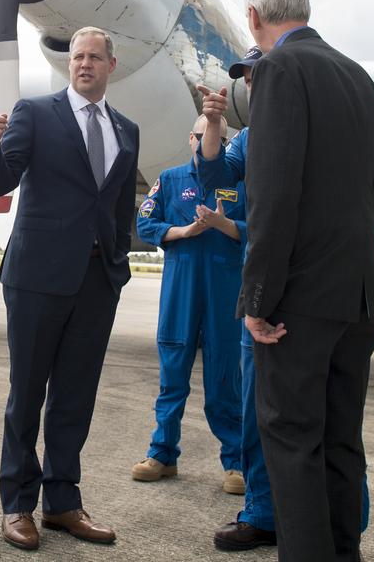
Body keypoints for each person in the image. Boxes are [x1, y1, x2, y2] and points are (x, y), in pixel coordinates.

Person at [199, 0, 374, 562]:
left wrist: (257, 299)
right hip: (357, 295)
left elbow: (273, 192)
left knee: (290, 440)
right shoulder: (359, 76)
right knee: (340, 440)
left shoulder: (278, 69)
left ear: (253, 16)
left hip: (298, 303)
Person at [0, 26, 140, 551]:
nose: (84, 64)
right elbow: (2, 181)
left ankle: (63, 503)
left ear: (111, 65)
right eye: (77, 57)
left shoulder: (126, 130)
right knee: (26, 395)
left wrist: (117, 265)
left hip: (96, 282)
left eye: (94, 57)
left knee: (75, 397)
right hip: (37, 279)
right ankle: (17, 506)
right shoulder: (35, 113)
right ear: (68, 64)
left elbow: (117, 207)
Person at [131, 117, 247, 496]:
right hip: (180, 292)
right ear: (191, 138)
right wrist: (182, 232)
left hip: (224, 294)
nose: (207, 140)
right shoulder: (170, 179)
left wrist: (222, 225)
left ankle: (236, 462)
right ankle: (162, 454)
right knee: (172, 377)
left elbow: (257, 229)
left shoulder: (239, 181)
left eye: (216, 136)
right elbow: (145, 221)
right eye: (200, 134)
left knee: (225, 382)